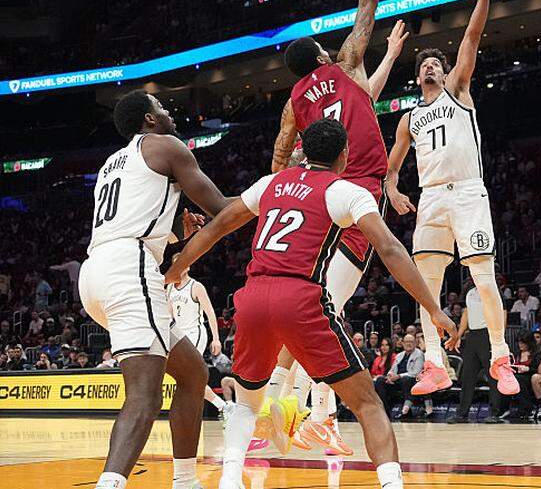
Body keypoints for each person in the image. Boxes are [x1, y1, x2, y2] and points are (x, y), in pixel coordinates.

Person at [164, 118, 458, 489]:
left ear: (301, 148)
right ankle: (392, 484)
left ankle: (230, 478)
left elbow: (217, 226)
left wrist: (177, 268)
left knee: (246, 402)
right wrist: (432, 307)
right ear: (344, 155)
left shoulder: (270, 183)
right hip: (300, 297)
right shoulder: (347, 191)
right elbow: (389, 248)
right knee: (367, 402)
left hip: (253, 297)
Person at [266, 0, 400, 456]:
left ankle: (290, 408)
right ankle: (308, 412)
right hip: (360, 192)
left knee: (319, 302)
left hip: (314, 197)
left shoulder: (295, 103)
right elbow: (367, 5)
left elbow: (279, 158)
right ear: (321, 56)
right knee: (325, 306)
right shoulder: (343, 64)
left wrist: (287, 195)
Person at [383, 0, 519, 399]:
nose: (430, 67)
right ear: (417, 76)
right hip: (431, 198)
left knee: (482, 276)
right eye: (424, 65)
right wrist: (394, 189)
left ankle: (501, 355)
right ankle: (436, 365)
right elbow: (392, 167)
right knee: (426, 285)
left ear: (445, 74)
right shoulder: (408, 119)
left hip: (467, 193)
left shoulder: (458, 91)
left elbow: (474, 35)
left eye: (436, 64)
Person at [80, 89, 232, 489]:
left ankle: (185, 481)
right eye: (161, 108)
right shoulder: (166, 146)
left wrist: (174, 230)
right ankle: (110, 485)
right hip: (129, 268)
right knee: (144, 395)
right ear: (148, 119)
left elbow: (138, 214)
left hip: (97, 269)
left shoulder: (113, 163)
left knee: (193, 372)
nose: (169, 113)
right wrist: (272, 194)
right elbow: (222, 208)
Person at [166, 252, 227, 414]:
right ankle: (225, 407)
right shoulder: (170, 288)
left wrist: (216, 339)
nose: (182, 265)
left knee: (189, 373)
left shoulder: (196, 286)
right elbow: (169, 316)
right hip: (179, 334)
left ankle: (221, 407)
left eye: (185, 261)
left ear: (189, 265)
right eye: (178, 262)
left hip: (195, 333)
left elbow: (210, 313)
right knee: (187, 377)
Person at [446, 285, 502, 423]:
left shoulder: (493, 289)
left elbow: (503, 313)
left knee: (493, 375)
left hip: (488, 334)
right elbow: (466, 313)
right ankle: (462, 414)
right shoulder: (470, 292)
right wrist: (457, 336)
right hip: (472, 335)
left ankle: (495, 413)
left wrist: (499, 338)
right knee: (467, 376)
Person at [374, 333, 426, 418]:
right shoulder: (400, 355)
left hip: (412, 381)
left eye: (411, 342)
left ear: (415, 343)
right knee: (380, 380)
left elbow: (416, 372)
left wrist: (399, 376)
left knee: (406, 379)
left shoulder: (419, 354)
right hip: (397, 381)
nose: (408, 344)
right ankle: (385, 412)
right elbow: (392, 369)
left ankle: (405, 411)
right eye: (406, 342)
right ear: (403, 343)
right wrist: (390, 376)